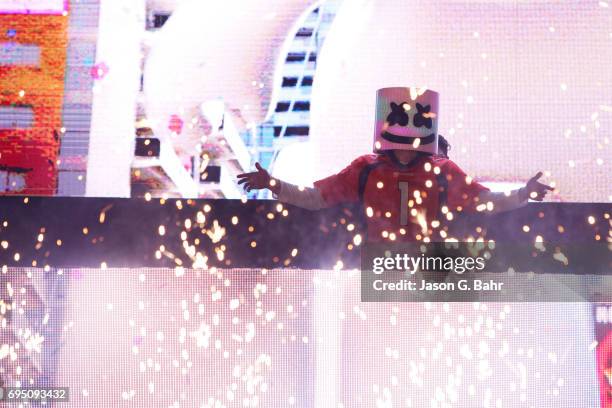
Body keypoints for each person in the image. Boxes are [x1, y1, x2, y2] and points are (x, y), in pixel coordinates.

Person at [238, 87, 553, 242]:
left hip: (431, 268)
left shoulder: (441, 169)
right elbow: (316, 199)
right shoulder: (366, 168)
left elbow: (487, 203)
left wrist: (524, 192)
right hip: (381, 268)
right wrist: (273, 184)